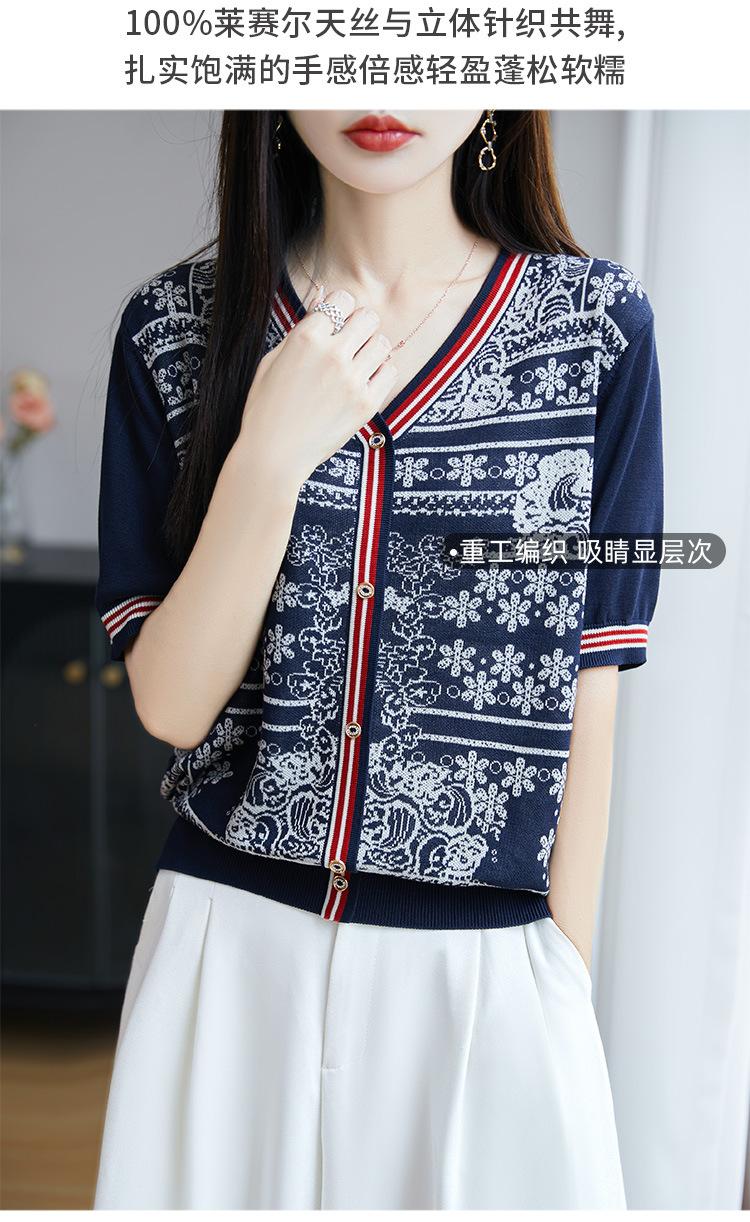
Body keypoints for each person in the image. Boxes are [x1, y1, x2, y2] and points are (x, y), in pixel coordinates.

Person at [92, 109, 663, 1209]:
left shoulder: (596, 331)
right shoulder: (173, 328)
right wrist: (269, 455)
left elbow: (591, 687)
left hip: (486, 968)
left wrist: (561, 974)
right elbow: (169, 703)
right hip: (228, 953)